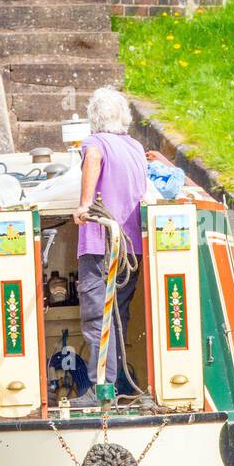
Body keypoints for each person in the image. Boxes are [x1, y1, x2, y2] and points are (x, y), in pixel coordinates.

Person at [71, 87, 148, 403]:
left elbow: (93, 158)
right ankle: (120, 385)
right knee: (118, 314)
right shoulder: (136, 147)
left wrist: (85, 204)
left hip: (101, 243)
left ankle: (100, 389)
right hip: (131, 246)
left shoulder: (95, 143)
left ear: (93, 119)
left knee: (96, 315)